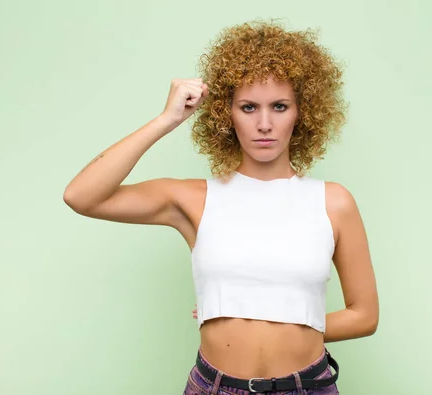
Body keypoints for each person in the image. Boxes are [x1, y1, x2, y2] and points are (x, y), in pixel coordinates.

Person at [63, 19, 379, 395]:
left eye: (279, 106)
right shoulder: (193, 199)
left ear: (302, 112)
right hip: (215, 387)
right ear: (225, 114)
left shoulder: (333, 202)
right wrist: (167, 120)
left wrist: (271, 312)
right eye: (248, 107)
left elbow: (364, 316)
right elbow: (81, 195)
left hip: (307, 387)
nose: (264, 124)